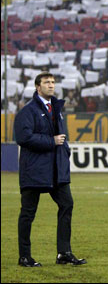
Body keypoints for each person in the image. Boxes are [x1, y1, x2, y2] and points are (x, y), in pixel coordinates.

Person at [14, 72, 87, 267]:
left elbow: (62, 137)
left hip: (55, 170)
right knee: (28, 213)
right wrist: (51, 141)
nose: (51, 85)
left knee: (67, 204)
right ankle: (24, 256)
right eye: (47, 82)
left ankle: (64, 253)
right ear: (38, 87)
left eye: (53, 82)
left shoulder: (56, 108)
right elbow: (23, 138)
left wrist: (65, 151)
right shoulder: (27, 111)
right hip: (34, 170)